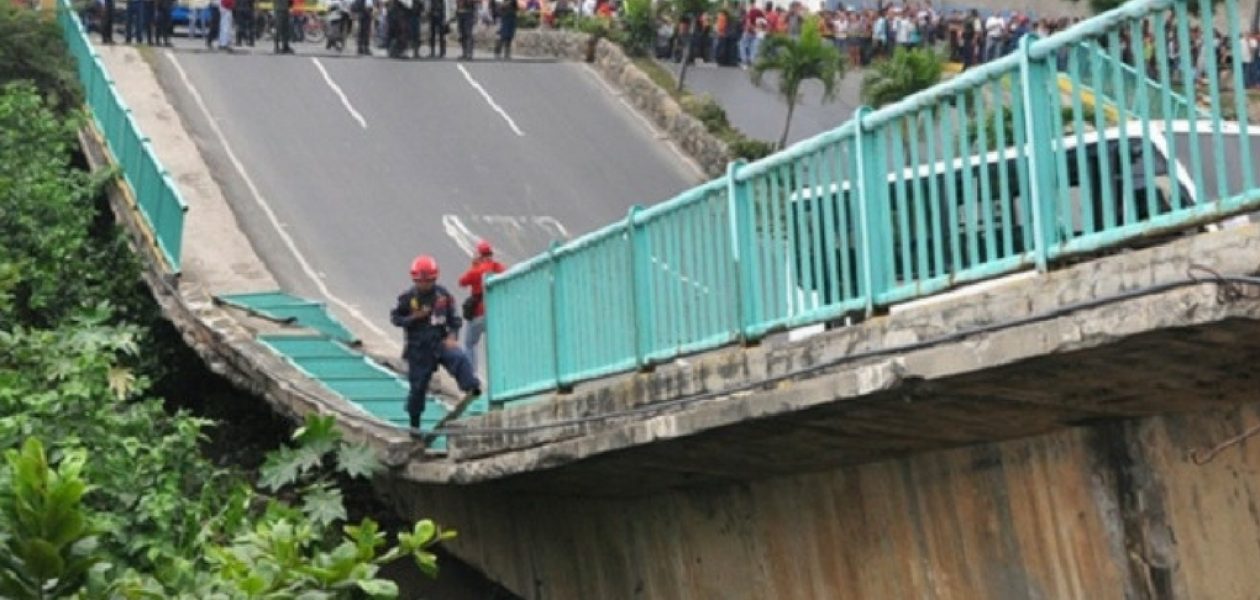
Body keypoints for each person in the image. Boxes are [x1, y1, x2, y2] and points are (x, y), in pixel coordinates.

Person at [390, 255, 482, 436]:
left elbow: (455, 320)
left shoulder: (443, 296)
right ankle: (414, 426)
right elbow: (395, 318)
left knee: (459, 358)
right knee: (417, 388)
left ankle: (471, 387)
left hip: (439, 341)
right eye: (420, 281)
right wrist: (412, 318)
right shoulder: (407, 299)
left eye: (428, 281)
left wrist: (452, 335)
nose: (424, 285)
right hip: (418, 349)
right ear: (414, 279)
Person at [458, 241, 505, 376]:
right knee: (494, 344)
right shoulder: (497, 268)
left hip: (478, 313)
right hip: (494, 313)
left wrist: (474, 265)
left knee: (469, 343)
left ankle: (471, 375)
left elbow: (462, 281)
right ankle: (499, 374)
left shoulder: (477, 271)